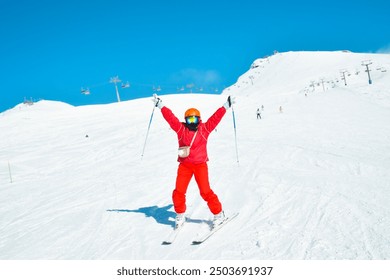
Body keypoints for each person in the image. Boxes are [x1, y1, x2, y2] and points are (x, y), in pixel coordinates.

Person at [153, 94, 236, 229]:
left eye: (194, 119)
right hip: (184, 166)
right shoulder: (181, 129)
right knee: (178, 192)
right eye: (189, 119)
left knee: (205, 191)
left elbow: (215, 118)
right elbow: (171, 118)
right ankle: (180, 215)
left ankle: (219, 214)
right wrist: (160, 105)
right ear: (186, 120)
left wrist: (226, 105)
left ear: (199, 119)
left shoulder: (204, 129)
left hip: (200, 166)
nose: (192, 122)